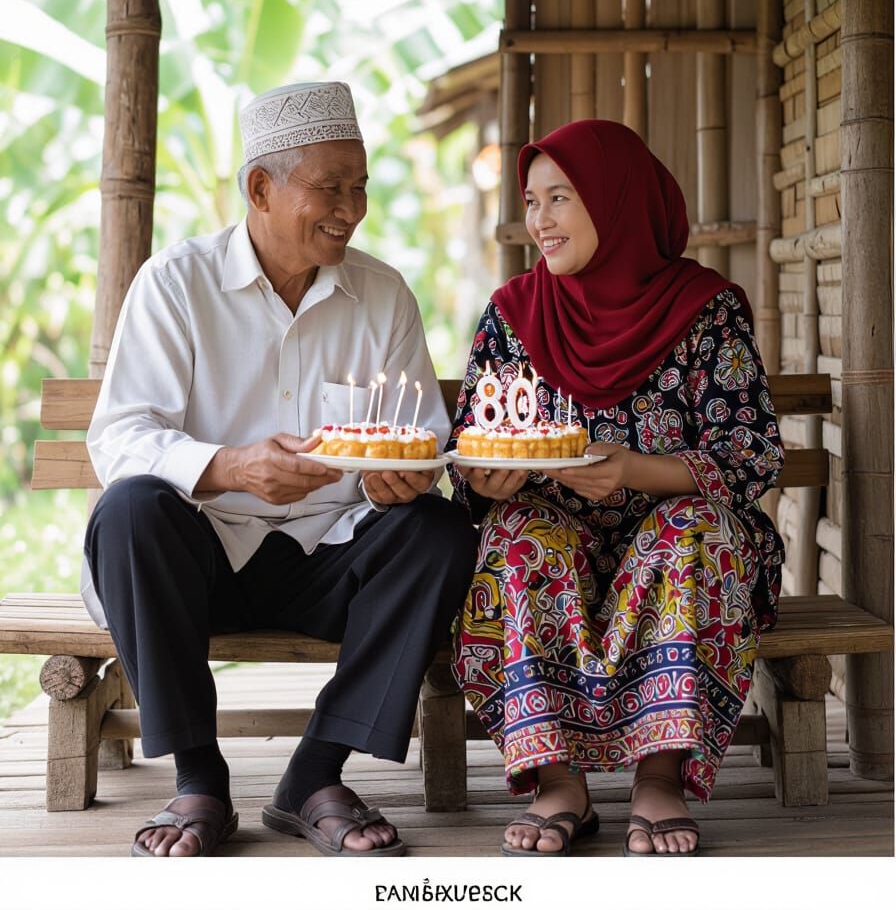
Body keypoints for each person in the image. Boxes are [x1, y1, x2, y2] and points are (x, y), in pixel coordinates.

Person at [84, 80, 476, 858]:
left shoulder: (382, 294)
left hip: (331, 559)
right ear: (260, 188)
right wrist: (228, 467)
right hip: (199, 562)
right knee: (128, 510)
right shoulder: (176, 284)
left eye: (360, 185)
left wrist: (394, 478)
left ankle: (315, 774)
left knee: (435, 532)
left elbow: (422, 438)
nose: (352, 206)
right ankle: (199, 781)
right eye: (330, 187)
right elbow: (119, 436)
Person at [447, 119, 784, 857]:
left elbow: (752, 453)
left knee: (690, 533)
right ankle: (557, 781)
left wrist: (633, 469)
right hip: (561, 542)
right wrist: (483, 478)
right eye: (531, 200)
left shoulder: (705, 311)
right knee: (518, 534)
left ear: (616, 199)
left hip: (680, 546)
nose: (539, 220)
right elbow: (475, 442)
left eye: (559, 197)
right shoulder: (514, 314)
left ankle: (659, 776)